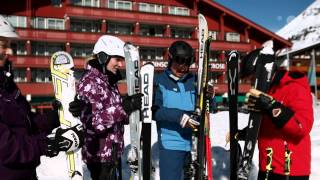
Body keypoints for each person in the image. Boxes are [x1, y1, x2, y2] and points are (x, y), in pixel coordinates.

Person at [0, 15, 82, 180]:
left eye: (9, 45)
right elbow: (7, 148)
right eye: (3, 45)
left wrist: (59, 114)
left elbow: (29, 124)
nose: (9, 51)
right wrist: (48, 144)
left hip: (27, 174)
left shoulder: (6, 84)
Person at [68, 35, 142, 180]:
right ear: (103, 57)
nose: (120, 64)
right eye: (117, 59)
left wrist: (132, 107)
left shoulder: (108, 81)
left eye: (122, 60)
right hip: (99, 156)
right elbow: (93, 122)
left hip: (112, 152)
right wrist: (124, 107)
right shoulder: (90, 82)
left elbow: (115, 115)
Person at [239, 40, 313, 180]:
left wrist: (272, 106)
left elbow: (301, 127)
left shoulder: (294, 88)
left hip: (290, 172)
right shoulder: (268, 91)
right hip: (267, 166)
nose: (251, 84)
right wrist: (245, 133)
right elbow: (267, 127)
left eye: (253, 79)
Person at [152, 41, 199, 180]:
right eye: (178, 63)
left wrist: (210, 96)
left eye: (186, 64)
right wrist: (179, 116)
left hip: (194, 144)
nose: (182, 68)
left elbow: (208, 108)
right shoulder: (159, 81)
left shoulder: (195, 80)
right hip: (170, 144)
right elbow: (155, 112)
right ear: (170, 59)